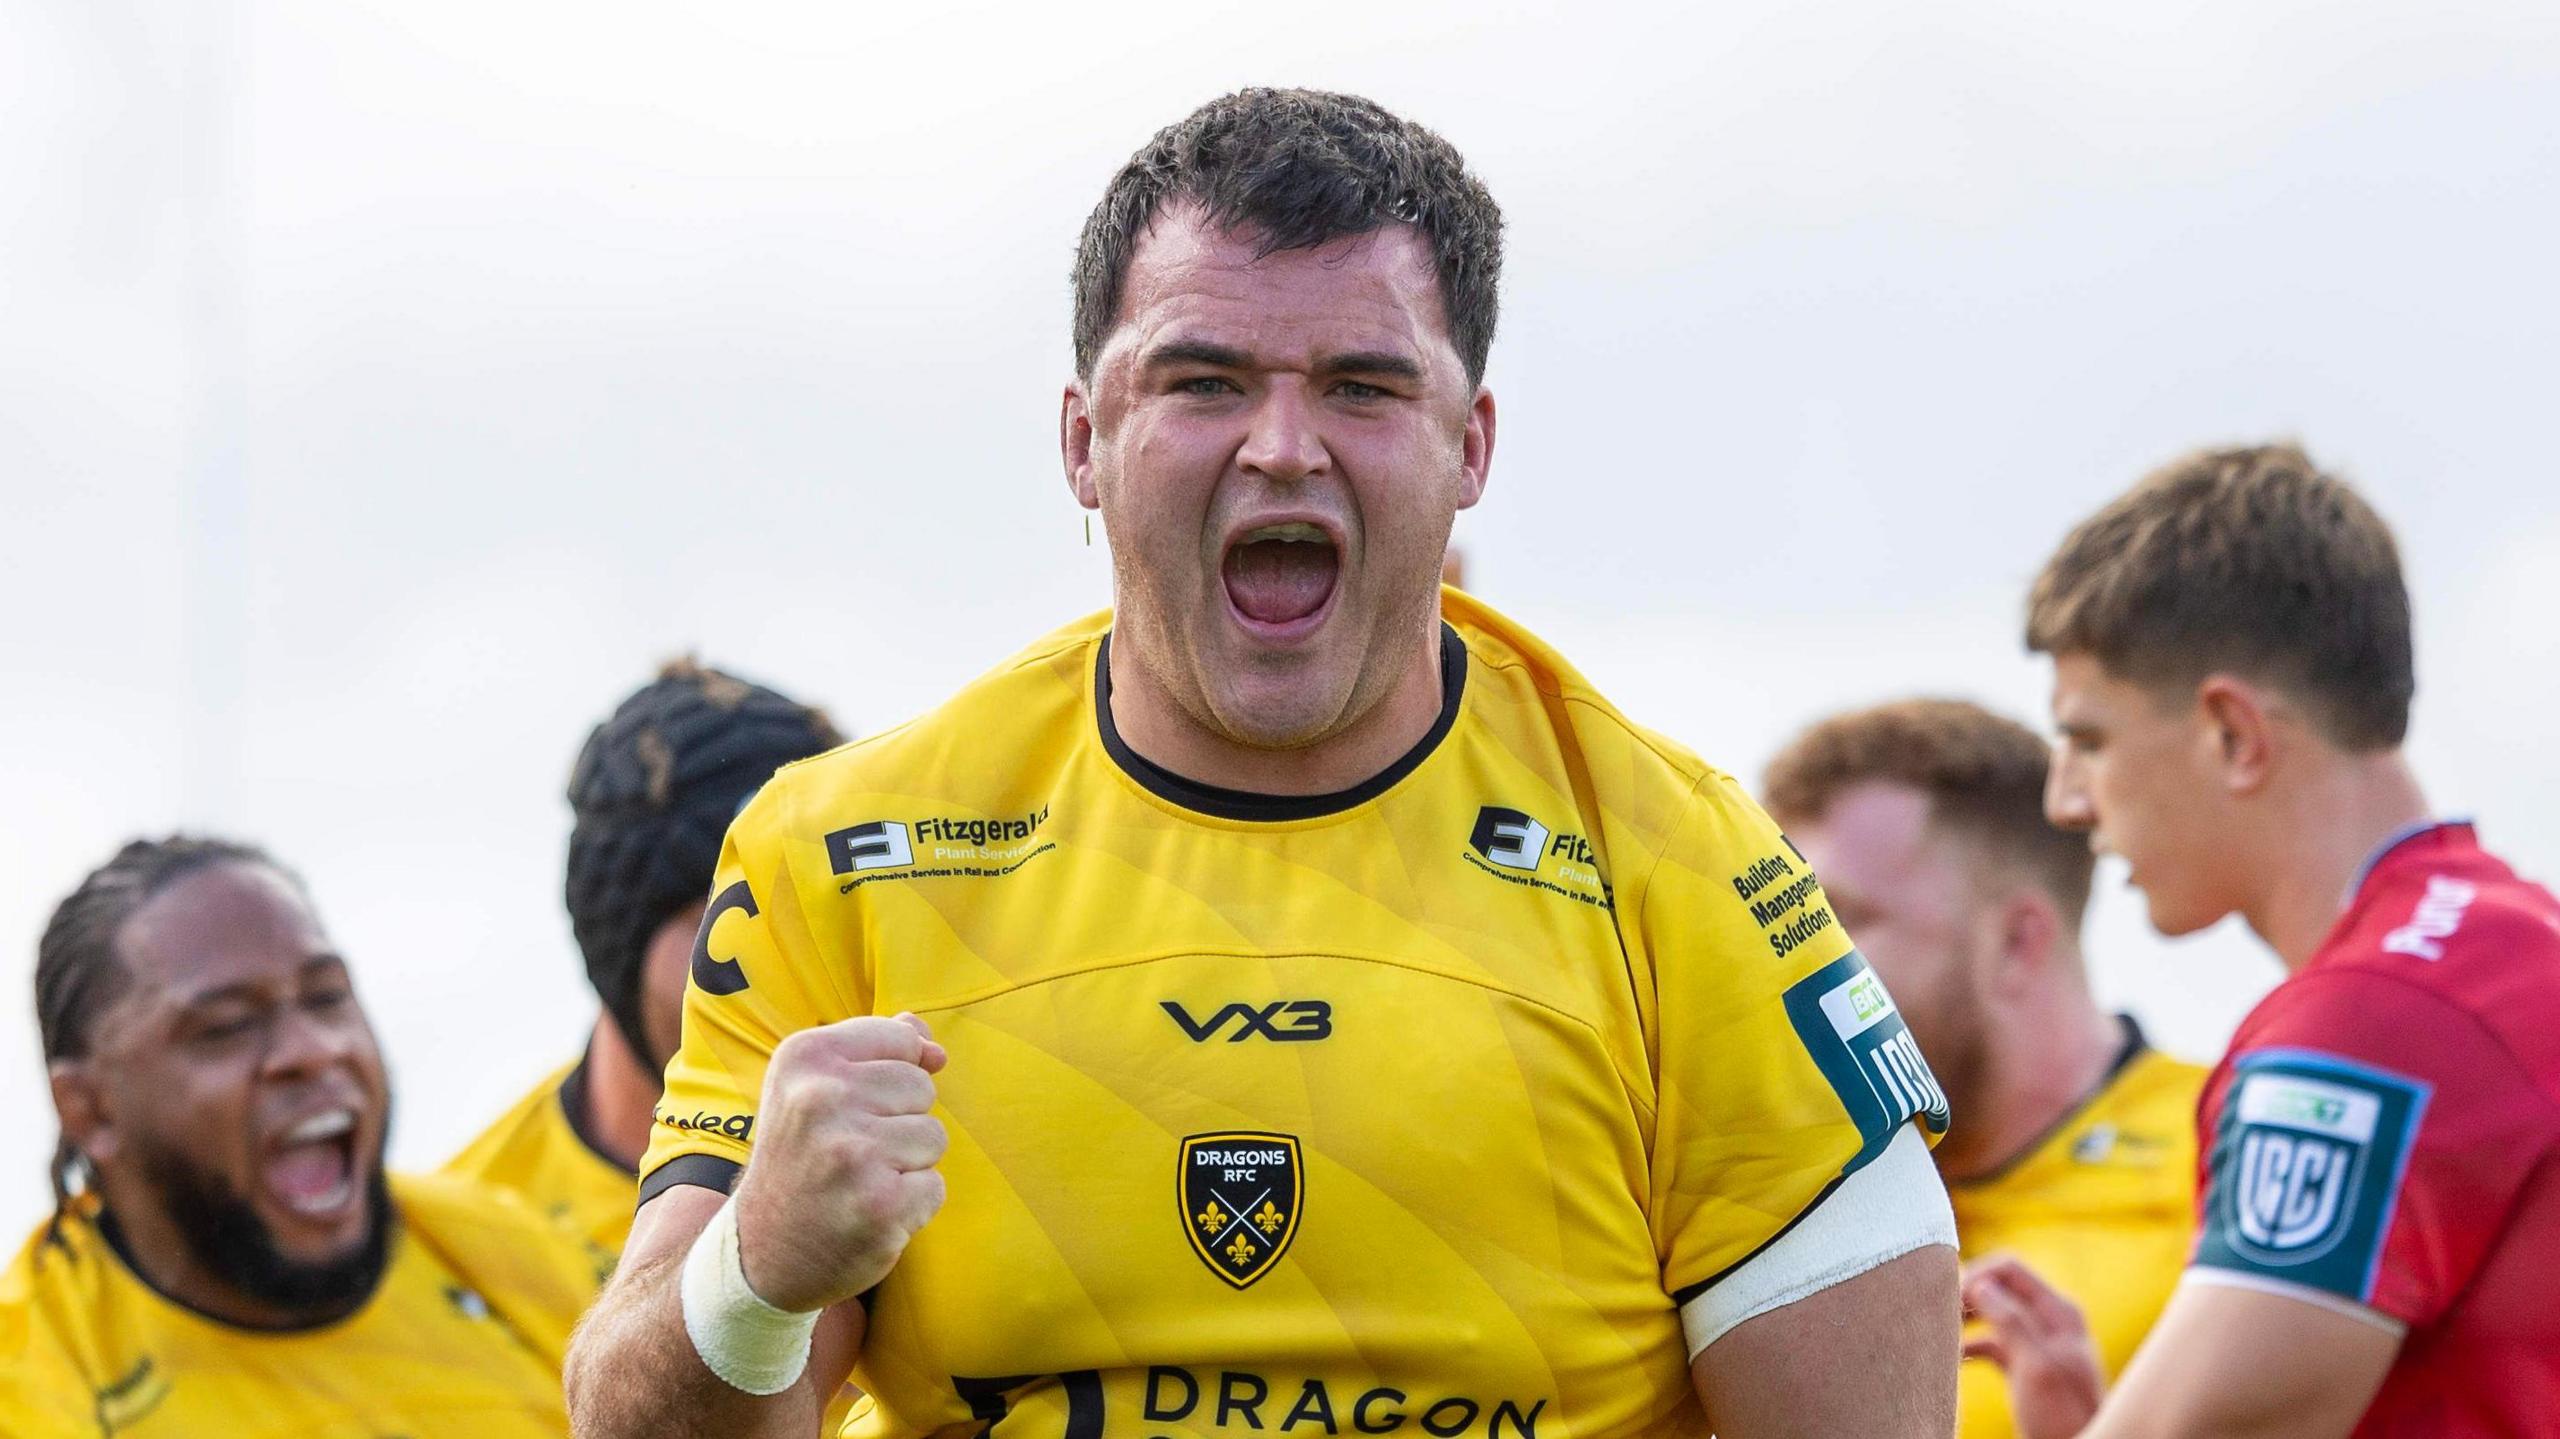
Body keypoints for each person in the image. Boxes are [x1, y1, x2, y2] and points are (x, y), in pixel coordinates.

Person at [565, 87, 1961, 1439]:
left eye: (1361, 386)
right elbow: (626, 1420)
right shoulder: (842, 852)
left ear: (1468, 445)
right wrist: (750, 1273)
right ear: (1082, 441)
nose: (1282, 447)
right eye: (1203, 381)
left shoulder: (1685, 860)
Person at [1964, 444, 2560, 1436]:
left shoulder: (2373, 1024)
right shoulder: (2504, 942)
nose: (2065, 798)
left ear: (2234, 734)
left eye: (2089, 739)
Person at [1, 836, 595, 1437]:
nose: (313, 1050)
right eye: (225, 1027)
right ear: (90, 1110)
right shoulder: (33, 1383)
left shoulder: (524, 1263)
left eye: (327, 997)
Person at [1763, 698, 2205, 1438]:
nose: (1797, 973)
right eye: (1786, 931)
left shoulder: (2226, 1149)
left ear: (2017, 942)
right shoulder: (1780, 1199)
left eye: (1837, 923)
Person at [446, 659, 843, 1282]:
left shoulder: (946, 1140)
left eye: (827, 919)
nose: (793, 971)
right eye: (729, 927)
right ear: (621, 951)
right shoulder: (471, 1248)